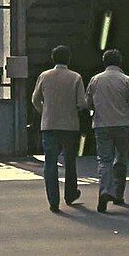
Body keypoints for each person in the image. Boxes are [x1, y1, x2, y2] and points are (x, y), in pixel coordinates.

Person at [86, 49, 129, 213]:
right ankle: (118, 195)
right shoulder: (127, 80)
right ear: (120, 62)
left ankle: (104, 191)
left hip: (101, 124)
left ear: (104, 62)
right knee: (121, 159)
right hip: (123, 124)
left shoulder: (95, 80)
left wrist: (97, 108)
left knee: (104, 160)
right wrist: (128, 110)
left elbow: (88, 103)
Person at [31, 45, 87, 213]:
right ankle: (70, 195)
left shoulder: (44, 76)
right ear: (68, 59)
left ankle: (53, 201)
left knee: (50, 163)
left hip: (49, 125)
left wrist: (45, 112)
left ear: (52, 59)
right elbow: (82, 103)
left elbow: (35, 99)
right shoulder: (76, 77)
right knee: (70, 162)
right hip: (70, 126)